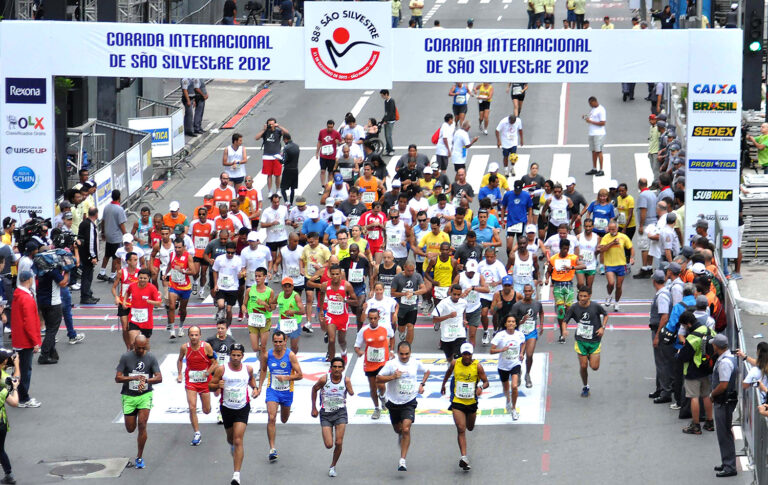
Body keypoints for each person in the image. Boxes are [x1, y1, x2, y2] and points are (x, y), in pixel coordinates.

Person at [377, 341, 430, 472]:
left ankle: (402, 460)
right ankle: (400, 434)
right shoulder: (391, 364)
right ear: (397, 353)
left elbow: (427, 371)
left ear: (410, 353)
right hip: (394, 402)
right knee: (398, 429)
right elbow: (378, 378)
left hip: (409, 401)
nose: (404, 357)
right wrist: (392, 377)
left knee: (406, 429)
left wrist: (422, 384)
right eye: (401, 354)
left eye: (406, 354)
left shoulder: (415, 362)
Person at [209, 343, 257, 485]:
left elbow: (252, 380)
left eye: (238, 355)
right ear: (230, 355)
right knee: (231, 439)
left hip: (242, 407)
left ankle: (236, 475)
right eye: (233, 355)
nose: (235, 358)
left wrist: (255, 388)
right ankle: (232, 447)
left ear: (243, 356)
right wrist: (217, 386)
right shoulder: (221, 370)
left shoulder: (248, 369)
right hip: (227, 408)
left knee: (238, 440)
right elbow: (211, 386)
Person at [115, 335, 162, 470]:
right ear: (133, 346)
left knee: (142, 424)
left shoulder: (151, 357)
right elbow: (117, 378)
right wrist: (133, 378)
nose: (141, 350)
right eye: (138, 348)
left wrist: (145, 381)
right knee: (130, 429)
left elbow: (159, 378)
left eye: (143, 348)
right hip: (129, 396)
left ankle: (139, 456)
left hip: (145, 395)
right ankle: (135, 420)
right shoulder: (125, 357)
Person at [440, 342, 489, 471]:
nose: (466, 356)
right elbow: (448, 373)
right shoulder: (455, 363)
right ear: (461, 354)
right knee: (461, 429)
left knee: (470, 427)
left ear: (472, 354)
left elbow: (486, 382)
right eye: (464, 354)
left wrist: (480, 387)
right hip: (458, 401)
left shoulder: (477, 366)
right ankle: (464, 457)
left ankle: (464, 456)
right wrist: (443, 384)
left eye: (469, 354)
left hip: (471, 402)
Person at [257, 330, 303, 462]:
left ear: (285, 341)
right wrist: (259, 387)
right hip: (272, 390)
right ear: (273, 342)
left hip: (287, 391)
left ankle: (273, 446)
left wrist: (287, 377)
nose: (278, 344)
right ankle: (272, 449)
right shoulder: (267, 355)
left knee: (284, 419)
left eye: (280, 342)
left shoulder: (290, 355)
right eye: (275, 342)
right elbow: (264, 370)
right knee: (271, 418)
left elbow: (300, 375)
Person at [311, 357, 354, 478]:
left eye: (339, 367)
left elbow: (351, 392)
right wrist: (314, 407)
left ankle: (333, 466)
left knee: (339, 442)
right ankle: (328, 434)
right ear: (331, 368)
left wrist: (350, 391)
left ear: (343, 368)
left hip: (340, 413)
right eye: (334, 367)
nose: (337, 369)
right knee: (329, 444)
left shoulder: (346, 380)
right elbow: (314, 389)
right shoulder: (324, 379)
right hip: (326, 413)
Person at [564, 285, 609, 397]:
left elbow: (606, 315)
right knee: (583, 366)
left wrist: (602, 327)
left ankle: (590, 355)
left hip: (594, 340)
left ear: (590, 296)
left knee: (594, 367)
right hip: (581, 340)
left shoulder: (595, 306)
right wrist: (564, 330)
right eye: (580, 296)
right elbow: (565, 320)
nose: (582, 298)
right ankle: (585, 386)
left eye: (585, 296)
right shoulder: (574, 307)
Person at [677, 310, 715, 435]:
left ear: (688, 324)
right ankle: (710, 422)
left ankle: (696, 425)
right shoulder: (708, 330)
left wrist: (679, 354)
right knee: (706, 395)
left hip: (693, 370)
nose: (684, 328)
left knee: (694, 397)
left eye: (683, 326)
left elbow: (684, 356)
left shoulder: (693, 337)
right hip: (707, 368)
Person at [176, 325, 215, 446]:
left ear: (200, 335)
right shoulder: (184, 348)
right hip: (191, 381)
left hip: (204, 382)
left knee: (206, 410)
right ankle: (197, 433)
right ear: (188, 336)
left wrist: (208, 372)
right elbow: (179, 360)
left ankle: (208, 408)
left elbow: (215, 362)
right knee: (192, 407)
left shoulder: (206, 347)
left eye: (196, 335)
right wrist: (179, 374)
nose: (194, 337)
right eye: (191, 335)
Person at [354, 308, 393, 420]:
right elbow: (356, 346)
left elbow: (392, 336)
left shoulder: (385, 328)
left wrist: (391, 351)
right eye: (370, 318)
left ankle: (383, 396)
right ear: (368, 318)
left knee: (381, 384)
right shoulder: (364, 331)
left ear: (379, 318)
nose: (373, 320)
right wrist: (359, 352)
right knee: (372, 387)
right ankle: (376, 408)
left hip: (383, 362)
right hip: (370, 363)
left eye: (375, 318)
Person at [10, 271, 41, 408]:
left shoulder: (18, 295)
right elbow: (29, 322)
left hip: (19, 338)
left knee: (18, 368)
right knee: (25, 369)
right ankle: (23, 397)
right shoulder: (27, 298)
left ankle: (15, 392)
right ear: (29, 280)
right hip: (25, 340)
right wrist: (35, 341)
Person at [710, 334, 739, 477]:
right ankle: (727, 461)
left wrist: (712, 394)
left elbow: (723, 385)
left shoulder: (724, 363)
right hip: (726, 400)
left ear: (717, 346)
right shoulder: (729, 358)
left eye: (713, 344)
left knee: (724, 433)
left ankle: (729, 466)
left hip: (723, 401)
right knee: (725, 432)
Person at [547, 239, 583, 343]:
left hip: (569, 285)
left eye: (567, 249)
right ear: (560, 248)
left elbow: (583, 265)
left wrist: (572, 267)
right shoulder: (554, 258)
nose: (565, 251)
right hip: (558, 285)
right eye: (563, 249)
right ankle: (562, 333)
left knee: (568, 309)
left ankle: (571, 325)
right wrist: (546, 279)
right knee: (560, 311)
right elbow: (549, 271)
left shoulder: (572, 258)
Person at [490, 315, 525, 417]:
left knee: (514, 386)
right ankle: (508, 400)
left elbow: (523, 343)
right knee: (506, 389)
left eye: (513, 321)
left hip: (515, 363)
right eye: (509, 321)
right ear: (505, 324)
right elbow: (491, 350)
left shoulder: (519, 335)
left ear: (516, 324)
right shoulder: (500, 335)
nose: (511, 323)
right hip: (503, 365)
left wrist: (521, 353)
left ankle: (514, 408)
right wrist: (501, 350)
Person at [511, 283, 544, 388]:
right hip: (520, 333)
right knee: (519, 356)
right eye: (526, 291)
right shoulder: (517, 305)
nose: (528, 293)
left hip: (531, 333)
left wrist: (541, 325)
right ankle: (518, 373)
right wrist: (521, 321)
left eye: (529, 291)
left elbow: (541, 313)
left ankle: (528, 374)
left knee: (529, 355)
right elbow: (511, 321)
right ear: (523, 292)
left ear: (533, 291)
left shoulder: (537, 304)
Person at [597, 221, 634, 312]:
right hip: (609, 264)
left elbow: (631, 248)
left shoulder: (623, 237)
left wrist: (632, 258)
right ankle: (609, 296)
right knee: (611, 283)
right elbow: (602, 249)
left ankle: (617, 302)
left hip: (621, 264)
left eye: (613, 229)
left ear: (617, 228)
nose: (611, 231)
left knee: (618, 286)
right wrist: (612, 243)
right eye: (610, 229)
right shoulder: (606, 237)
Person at [165, 239, 197, 339]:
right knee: (171, 307)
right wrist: (166, 273)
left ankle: (181, 326)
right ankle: (172, 330)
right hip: (174, 285)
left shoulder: (188, 256)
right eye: (176, 247)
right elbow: (170, 264)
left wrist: (183, 271)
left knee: (182, 309)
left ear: (184, 247)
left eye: (179, 247)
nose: (177, 249)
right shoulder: (172, 254)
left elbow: (194, 271)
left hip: (185, 287)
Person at [391, 261, 427, 344]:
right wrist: (403, 294)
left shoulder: (417, 276)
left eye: (412, 270)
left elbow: (424, 289)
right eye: (409, 271)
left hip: (412, 305)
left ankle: (408, 346)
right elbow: (392, 293)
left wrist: (413, 293)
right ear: (404, 268)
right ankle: (401, 332)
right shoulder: (397, 278)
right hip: (401, 306)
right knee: (401, 327)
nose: (411, 272)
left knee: (410, 326)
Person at [124, 269, 163, 344]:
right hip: (134, 318)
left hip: (146, 321)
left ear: (149, 278)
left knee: (144, 344)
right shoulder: (132, 286)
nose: (142, 280)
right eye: (140, 278)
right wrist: (124, 301)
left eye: (145, 278)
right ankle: (133, 354)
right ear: (138, 277)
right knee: (133, 341)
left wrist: (150, 301)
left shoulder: (152, 288)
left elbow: (159, 303)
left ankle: (145, 355)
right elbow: (127, 293)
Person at [112, 252, 140, 350]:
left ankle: (134, 345)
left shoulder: (139, 273)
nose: (136, 262)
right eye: (134, 260)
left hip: (135, 304)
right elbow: (114, 287)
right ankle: (128, 347)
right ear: (128, 261)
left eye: (137, 259)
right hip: (123, 302)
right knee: (125, 328)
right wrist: (116, 297)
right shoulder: (121, 272)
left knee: (134, 328)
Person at [98, 190, 128, 283]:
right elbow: (121, 224)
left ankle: (102, 272)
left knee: (107, 255)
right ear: (119, 197)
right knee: (116, 257)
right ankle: (112, 275)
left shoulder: (106, 207)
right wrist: (126, 235)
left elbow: (103, 221)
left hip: (108, 235)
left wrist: (103, 232)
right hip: (116, 237)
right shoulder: (119, 209)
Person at [213, 242, 245, 327]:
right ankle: (220, 313)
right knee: (221, 304)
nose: (230, 254)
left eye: (232, 253)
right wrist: (215, 284)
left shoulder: (238, 260)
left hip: (233, 287)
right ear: (225, 250)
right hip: (221, 286)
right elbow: (215, 271)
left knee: (229, 309)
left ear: (235, 251)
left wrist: (241, 274)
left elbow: (241, 272)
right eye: (228, 252)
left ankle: (227, 326)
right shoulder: (219, 259)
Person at [254, 118, 289, 194]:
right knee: (269, 175)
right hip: (267, 156)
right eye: (269, 124)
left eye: (272, 124)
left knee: (277, 175)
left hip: (277, 156)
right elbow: (256, 138)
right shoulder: (265, 131)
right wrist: (264, 130)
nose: (271, 125)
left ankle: (278, 190)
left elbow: (287, 133)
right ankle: (270, 191)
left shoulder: (278, 131)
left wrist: (279, 126)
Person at [583, 97, 607, 177]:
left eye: (591, 103)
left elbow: (603, 123)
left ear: (595, 101)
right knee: (593, 151)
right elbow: (591, 116)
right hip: (592, 133)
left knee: (599, 151)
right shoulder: (593, 109)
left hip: (599, 134)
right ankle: (594, 168)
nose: (590, 105)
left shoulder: (601, 110)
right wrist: (585, 117)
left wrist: (591, 121)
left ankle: (601, 169)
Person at [380, 89, 397, 156]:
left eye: (382, 95)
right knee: (386, 136)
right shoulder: (386, 101)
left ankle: (391, 150)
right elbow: (386, 113)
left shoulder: (391, 101)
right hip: (387, 120)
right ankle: (388, 149)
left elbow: (390, 112)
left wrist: (386, 120)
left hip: (390, 121)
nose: (382, 97)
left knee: (388, 136)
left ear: (386, 94)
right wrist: (382, 121)